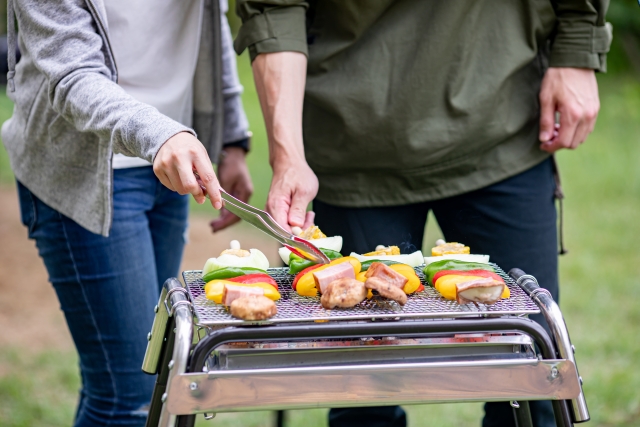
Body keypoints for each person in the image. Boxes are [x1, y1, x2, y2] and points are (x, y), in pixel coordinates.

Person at [233, 1, 611, 427]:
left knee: (534, 380)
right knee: (364, 402)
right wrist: (288, 159)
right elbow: (277, 9)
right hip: (353, 138)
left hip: (502, 125)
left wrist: (578, 50)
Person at [2, 0, 251, 426]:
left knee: (126, 382)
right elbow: (71, 75)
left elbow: (212, 28)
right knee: (129, 397)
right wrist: (161, 135)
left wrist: (231, 136)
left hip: (174, 161)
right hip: (87, 172)